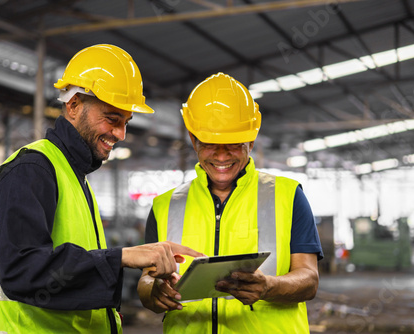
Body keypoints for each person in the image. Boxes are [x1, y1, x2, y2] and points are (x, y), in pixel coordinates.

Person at [0, 44, 203, 334]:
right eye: (112, 118)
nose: (121, 134)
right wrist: (122, 257)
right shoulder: (33, 170)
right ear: (73, 105)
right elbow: (22, 270)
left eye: (126, 122)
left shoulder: (74, 173)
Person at [137, 72, 323, 333]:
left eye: (233, 144)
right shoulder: (164, 206)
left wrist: (269, 286)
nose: (222, 156)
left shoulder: (288, 196)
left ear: (251, 139)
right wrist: (154, 293)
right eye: (211, 144)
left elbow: (309, 280)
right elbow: (146, 282)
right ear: (193, 139)